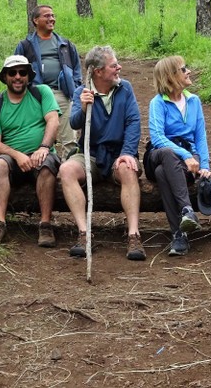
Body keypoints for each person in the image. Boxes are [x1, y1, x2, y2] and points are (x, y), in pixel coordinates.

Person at [58, 46, 144, 261]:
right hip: (91, 153)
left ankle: (134, 235)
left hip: (118, 153)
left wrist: (128, 153)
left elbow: (133, 122)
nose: (119, 68)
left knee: (128, 168)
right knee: (66, 170)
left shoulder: (125, 88)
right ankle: (84, 233)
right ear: (98, 71)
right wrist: (85, 107)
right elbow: (74, 122)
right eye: (114, 65)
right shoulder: (82, 92)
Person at [0, 55, 61, 245]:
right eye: (13, 73)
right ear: (5, 77)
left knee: (46, 165)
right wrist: (17, 155)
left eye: (22, 72)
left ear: (28, 75)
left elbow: (53, 120)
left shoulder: (42, 93)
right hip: (13, 161)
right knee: (0, 164)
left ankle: (45, 225)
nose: (18, 77)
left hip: (41, 154)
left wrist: (43, 147)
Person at [147, 56, 211, 256]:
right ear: (170, 76)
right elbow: (157, 138)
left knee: (162, 174)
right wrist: (185, 155)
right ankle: (187, 210)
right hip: (160, 153)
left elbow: (200, 136)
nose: (188, 71)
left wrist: (206, 166)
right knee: (166, 156)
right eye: (183, 69)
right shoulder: (157, 103)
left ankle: (179, 235)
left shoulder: (194, 101)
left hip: (184, 160)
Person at [14, 5, 83, 158]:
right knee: (41, 135)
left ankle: (68, 166)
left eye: (52, 15)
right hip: (37, 96)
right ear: (35, 20)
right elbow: (15, 70)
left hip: (63, 93)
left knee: (69, 136)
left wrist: (76, 88)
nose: (51, 19)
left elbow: (77, 68)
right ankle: (44, 166)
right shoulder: (26, 45)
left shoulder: (65, 44)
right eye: (46, 16)